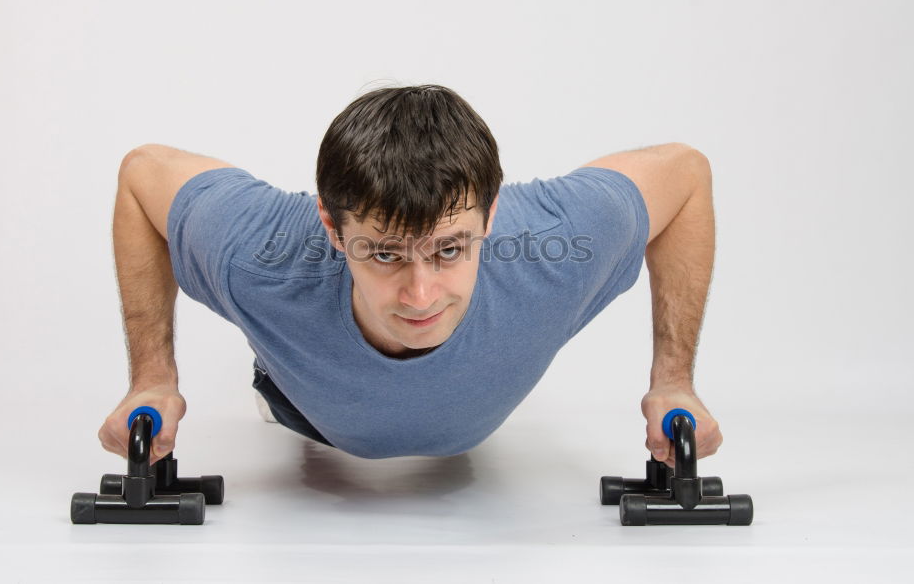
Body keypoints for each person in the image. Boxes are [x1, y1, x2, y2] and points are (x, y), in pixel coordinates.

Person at [97, 84, 723, 465]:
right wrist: (151, 381)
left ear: (492, 216)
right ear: (331, 227)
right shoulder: (259, 257)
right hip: (307, 412)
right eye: (386, 254)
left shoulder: (554, 246)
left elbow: (685, 173)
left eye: (450, 250)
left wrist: (675, 381)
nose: (421, 295)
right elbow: (143, 172)